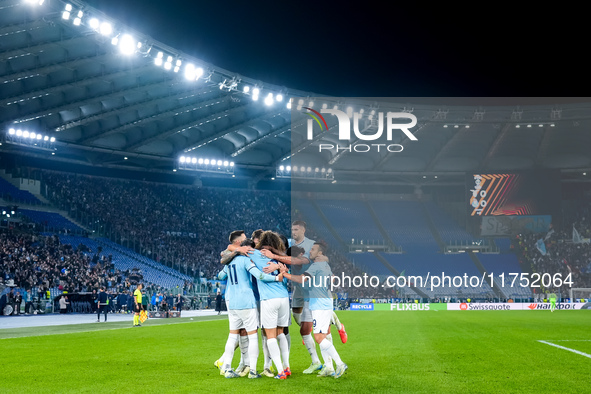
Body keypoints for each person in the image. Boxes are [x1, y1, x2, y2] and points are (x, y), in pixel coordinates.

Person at [216, 244, 284, 379]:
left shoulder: (228, 263)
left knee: (232, 336)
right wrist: (276, 278)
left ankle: (227, 369)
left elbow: (220, 276)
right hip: (246, 302)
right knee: (253, 336)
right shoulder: (246, 261)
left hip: (233, 303)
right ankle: (253, 371)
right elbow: (260, 276)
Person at [281, 242, 347, 378]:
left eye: (313, 249)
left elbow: (301, 279)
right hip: (322, 302)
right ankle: (329, 368)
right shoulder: (324, 265)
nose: (310, 251)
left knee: (318, 337)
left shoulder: (316, 266)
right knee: (322, 335)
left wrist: (285, 274)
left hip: (320, 304)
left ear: (320, 253)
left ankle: (340, 363)